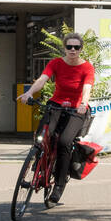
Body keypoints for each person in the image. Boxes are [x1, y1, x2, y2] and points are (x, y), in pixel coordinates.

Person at [17, 34, 96, 205]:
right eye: (69, 47)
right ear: (64, 48)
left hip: (76, 109)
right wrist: (29, 93)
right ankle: (38, 163)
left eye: (76, 47)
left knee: (64, 142)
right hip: (56, 105)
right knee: (42, 136)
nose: (72, 50)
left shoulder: (87, 67)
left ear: (81, 49)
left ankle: (59, 186)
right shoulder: (56, 63)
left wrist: (84, 103)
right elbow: (42, 80)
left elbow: (87, 88)